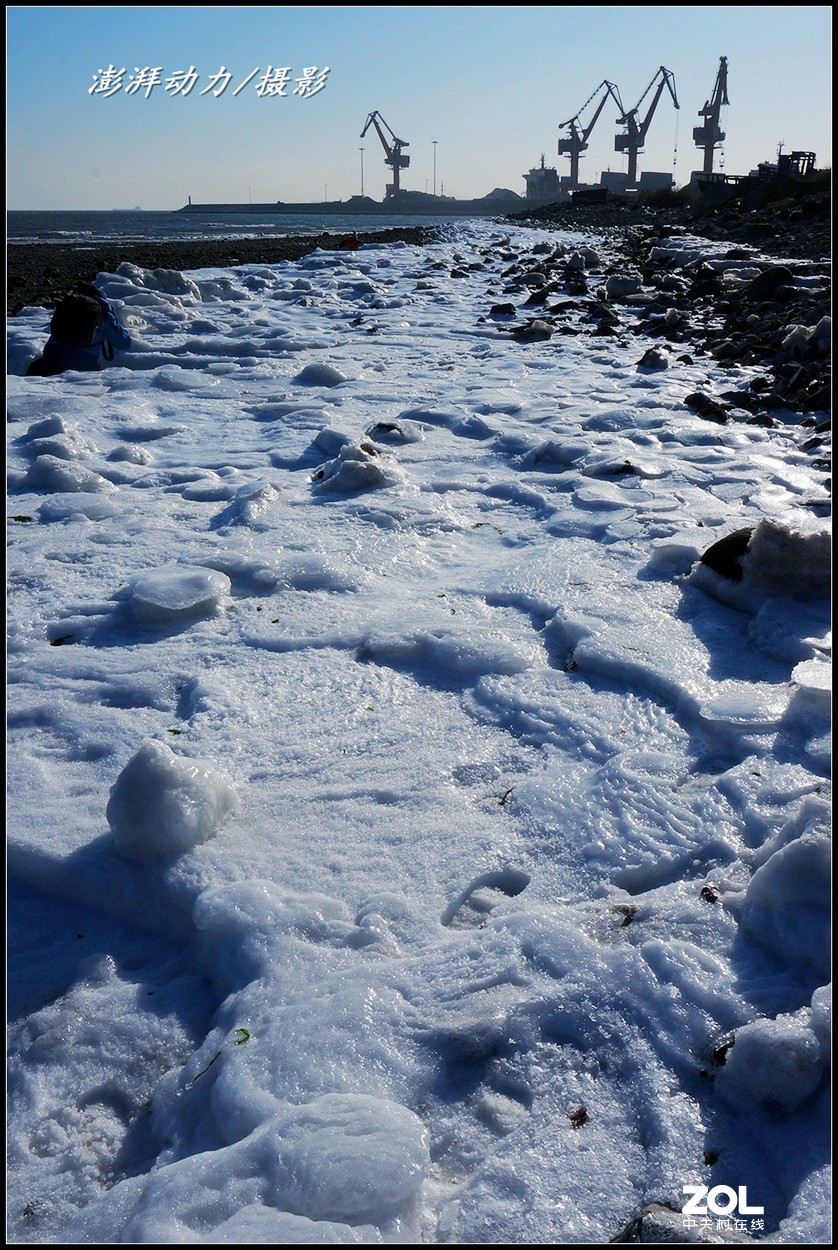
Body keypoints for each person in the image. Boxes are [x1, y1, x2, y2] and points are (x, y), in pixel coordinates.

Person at [26, 283, 131, 376]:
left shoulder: (68, 304)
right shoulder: (102, 312)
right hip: (83, 365)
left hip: (52, 358)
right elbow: (124, 343)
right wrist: (111, 317)